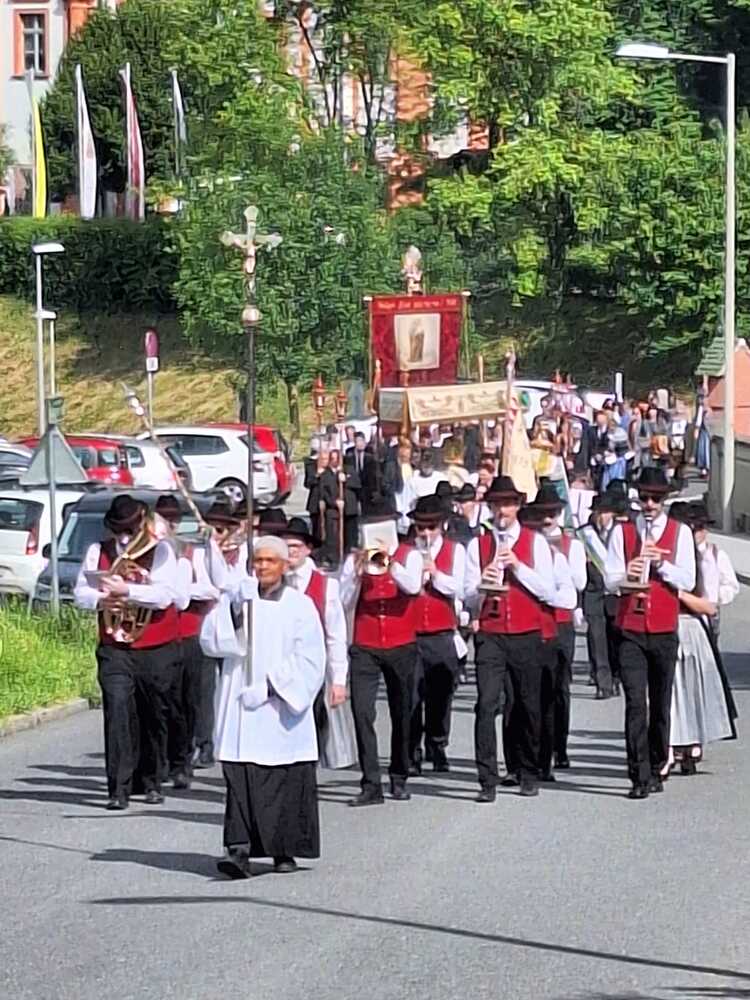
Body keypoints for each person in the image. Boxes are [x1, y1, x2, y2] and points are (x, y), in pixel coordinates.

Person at [213, 535, 326, 878]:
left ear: (284, 565)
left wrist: (271, 687)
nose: (262, 567)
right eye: (257, 560)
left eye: (269, 561)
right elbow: (212, 640)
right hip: (240, 702)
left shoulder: (300, 606)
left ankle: (283, 849)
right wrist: (234, 608)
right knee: (241, 777)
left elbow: (310, 658)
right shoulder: (239, 598)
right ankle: (239, 849)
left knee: (283, 778)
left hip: (279, 708)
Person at [74, 495, 181, 811]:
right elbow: (80, 591)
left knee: (153, 713)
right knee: (117, 711)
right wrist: (101, 599)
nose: (124, 537)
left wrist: (128, 591)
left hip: (155, 646)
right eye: (119, 530)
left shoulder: (161, 550)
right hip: (114, 648)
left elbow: (165, 595)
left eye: (130, 530)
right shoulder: (98, 551)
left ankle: (151, 780)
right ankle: (118, 789)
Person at [604, 467, 696, 799]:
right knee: (634, 703)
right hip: (630, 628)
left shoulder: (679, 533)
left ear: (664, 500)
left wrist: (662, 564)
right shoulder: (623, 532)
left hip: (663, 628)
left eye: (655, 499)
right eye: (644, 498)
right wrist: (625, 575)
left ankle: (658, 764)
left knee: (660, 703)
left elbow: (687, 580)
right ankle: (638, 775)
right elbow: (609, 580)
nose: (649, 504)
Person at [464, 475, 556, 801]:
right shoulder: (478, 545)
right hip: (491, 635)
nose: (501, 511)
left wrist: (517, 567)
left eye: (507, 504)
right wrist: (482, 584)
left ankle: (528, 771)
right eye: (496, 505)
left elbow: (548, 591)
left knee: (527, 704)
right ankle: (486, 779)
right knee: (486, 704)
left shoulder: (535, 542)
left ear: (517, 507)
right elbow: (467, 596)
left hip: (526, 633)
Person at [340, 502, 422, 805]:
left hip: (401, 644)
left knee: (403, 711)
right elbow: (342, 601)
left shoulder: (410, 555)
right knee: (362, 712)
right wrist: (356, 574)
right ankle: (370, 782)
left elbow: (413, 587)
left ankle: (399, 776)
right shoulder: (354, 560)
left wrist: (390, 562)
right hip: (366, 644)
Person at [666, 502, 739, 775]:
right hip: (676, 622)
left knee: (698, 682)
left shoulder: (714, 555)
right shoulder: (675, 556)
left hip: (702, 622)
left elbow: (727, 586)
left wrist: (714, 600)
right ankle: (676, 741)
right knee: (675, 685)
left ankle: (694, 739)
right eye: (695, 528)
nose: (700, 533)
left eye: (701, 528)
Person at [280, 517, 357, 770]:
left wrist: (338, 680)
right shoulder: (272, 582)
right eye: (286, 546)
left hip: (313, 668)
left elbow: (335, 635)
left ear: (308, 549)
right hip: (280, 666)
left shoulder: (326, 585)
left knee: (312, 724)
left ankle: (306, 773)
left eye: (295, 546)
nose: (290, 552)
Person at [156, 494, 219, 783]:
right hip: (161, 636)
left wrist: (180, 589)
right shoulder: (149, 553)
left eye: (172, 520)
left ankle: (190, 754)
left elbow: (210, 589)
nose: (168, 524)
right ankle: (166, 759)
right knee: (165, 701)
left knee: (192, 699)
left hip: (191, 634)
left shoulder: (192, 553)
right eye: (162, 519)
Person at [530, 485, 587, 773]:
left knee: (559, 687)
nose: (546, 519)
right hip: (534, 621)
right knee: (534, 689)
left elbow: (579, 582)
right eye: (542, 513)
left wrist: (556, 558)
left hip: (561, 621)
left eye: (551, 513)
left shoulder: (572, 545)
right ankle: (538, 748)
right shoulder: (530, 541)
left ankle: (559, 746)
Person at [408, 495, 466, 774]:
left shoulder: (455, 551)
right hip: (410, 633)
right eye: (421, 527)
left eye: (431, 527)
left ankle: (437, 743)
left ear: (442, 525)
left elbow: (459, 587)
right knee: (411, 696)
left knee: (440, 695)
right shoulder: (407, 550)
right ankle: (412, 750)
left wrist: (435, 573)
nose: (426, 533)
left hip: (442, 633)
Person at [579, 492, 618, 699]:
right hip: (593, 591)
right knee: (596, 636)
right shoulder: (584, 535)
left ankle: (616, 676)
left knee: (615, 637)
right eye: (599, 512)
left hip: (614, 593)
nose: (602, 517)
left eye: (606, 512)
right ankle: (603, 683)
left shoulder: (620, 532)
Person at [319, 448, 360, 566]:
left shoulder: (349, 470)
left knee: (350, 535)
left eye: (337, 458)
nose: (335, 461)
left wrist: (346, 479)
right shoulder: (325, 475)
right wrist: (334, 502)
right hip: (334, 510)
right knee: (333, 536)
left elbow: (357, 484)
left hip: (349, 509)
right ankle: (334, 559)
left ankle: (350, 558)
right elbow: (324, 493)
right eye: (332, 459)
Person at [304, 443, 329, 543]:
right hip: (315, 502)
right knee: (316, 527)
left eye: (326, 458)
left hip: (329, 502)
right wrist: (317, 475)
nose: (324, 460)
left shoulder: (331, 469)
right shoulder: (311, 467)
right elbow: (307, 483)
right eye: (322, 458)